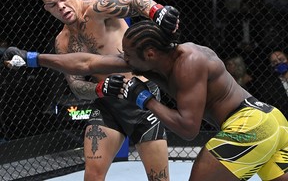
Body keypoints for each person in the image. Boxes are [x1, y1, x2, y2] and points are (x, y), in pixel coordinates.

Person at [3, 21, 288, 180]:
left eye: (128, 56)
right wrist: (31, 58)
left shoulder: (189, 63)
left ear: (150, 54)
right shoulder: (153, 59)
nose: (124, 61)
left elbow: (188, 129)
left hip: (250, 125)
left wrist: (144, 98)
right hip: (273, 122)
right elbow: (88, 62)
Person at [39, 0, 179, 181]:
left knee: (159, 178)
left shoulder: (98, 9)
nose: (61, 6)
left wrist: (157, 11)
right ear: (47, 9)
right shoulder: (63, 41)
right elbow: (76, 85)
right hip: (107, 103)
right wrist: (100, 88)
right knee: (92, 175)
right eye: (53, 4)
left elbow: (134, 3)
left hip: (142, 98)